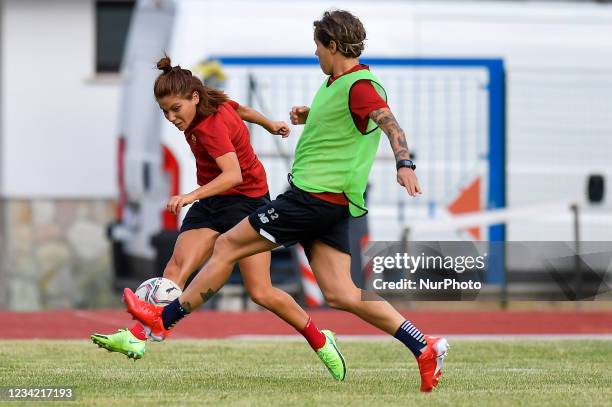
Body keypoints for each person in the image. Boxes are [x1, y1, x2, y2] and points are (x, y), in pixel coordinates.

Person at [123, 10, 449, 392]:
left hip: (311, 199)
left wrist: (404, 163)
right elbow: (348, 120)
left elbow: (387, 121)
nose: (315, 55)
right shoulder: (336, 84)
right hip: (335, 205)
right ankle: (424, 346)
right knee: (343, 294)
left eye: (317, 47)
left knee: (227, 245)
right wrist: (309, 114)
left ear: (332, 45)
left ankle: (164, 319)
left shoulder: (361, 85)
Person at [91, 56, 346, 381]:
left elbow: (233, 175)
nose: (171, 118)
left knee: (262, 292)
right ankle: (138, 338)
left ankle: (322, 340)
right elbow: (240, 110)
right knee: (175, 269)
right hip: (214, 200)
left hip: (247, 202)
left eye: (176, 109)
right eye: (165, 111)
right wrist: (269, 124)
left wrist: (189, 196)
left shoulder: (209, 127)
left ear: (193, 98)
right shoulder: (209, 99)